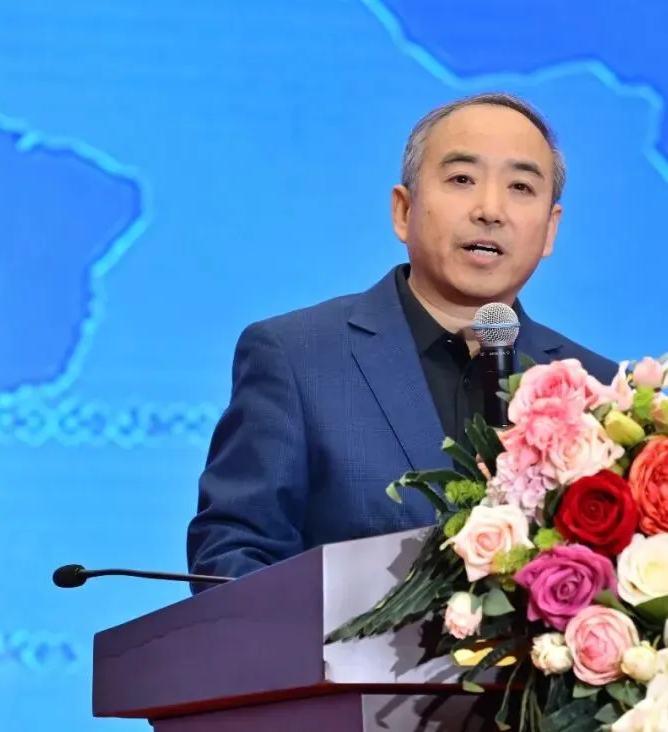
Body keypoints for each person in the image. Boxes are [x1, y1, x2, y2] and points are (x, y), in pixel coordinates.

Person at [185, 92, 618, 586]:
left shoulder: (598, 390)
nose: (491, 210)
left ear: (550, 229)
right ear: (403, 210)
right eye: (462, 179)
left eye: (521, 186)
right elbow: (234, 556)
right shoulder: (298, 358)